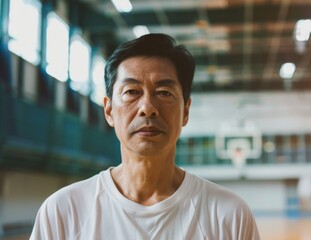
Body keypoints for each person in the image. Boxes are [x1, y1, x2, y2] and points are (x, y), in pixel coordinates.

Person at [30, 33, 260, 240]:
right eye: (131, 92)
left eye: (164, 92)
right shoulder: (63, 211)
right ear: (109, 111)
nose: (148, 107)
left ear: (186, 112)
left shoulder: (229, 215)